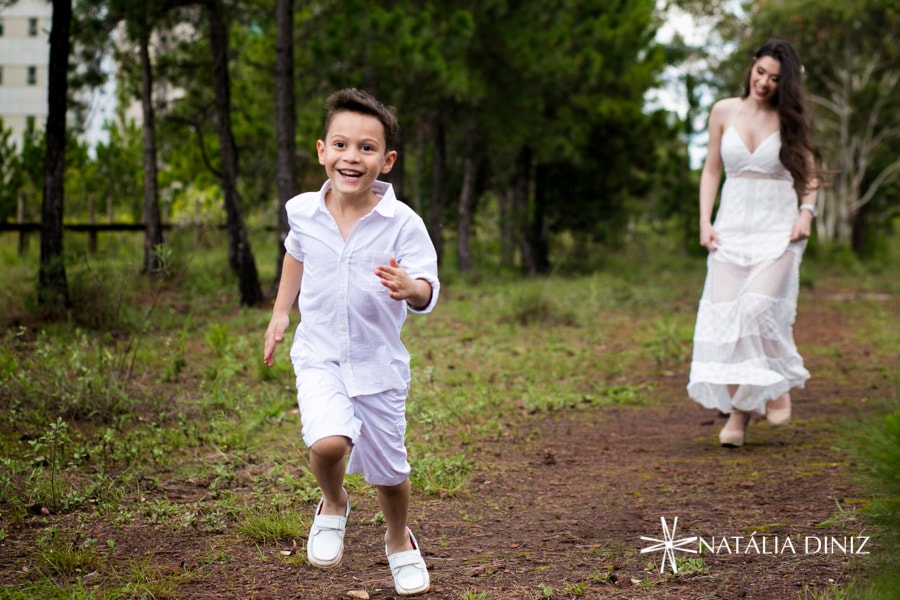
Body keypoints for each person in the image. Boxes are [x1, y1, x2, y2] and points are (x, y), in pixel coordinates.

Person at [263, 88, 439, 596]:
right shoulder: (303, 210)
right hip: (319, 355)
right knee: (327, 442)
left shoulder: (403, 223)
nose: (351, 157)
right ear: (322, 151)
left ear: (386, 161)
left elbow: (427, 285)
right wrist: (279, 312)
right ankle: (334, 501)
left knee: (389, 471)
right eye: (341, 144)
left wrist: (413, 289)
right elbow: (295, 254)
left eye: (366, 148)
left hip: (378, 364)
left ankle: (397, 535)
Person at [687, 39, 819, 448]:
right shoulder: (723, 111)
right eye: (760, 72)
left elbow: (811, 177)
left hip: (777, 231)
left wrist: (806, 213)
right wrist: (705, 220)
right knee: (728, 319)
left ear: (786, 83)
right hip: (730, 230)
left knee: (756, 310)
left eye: (775, 78)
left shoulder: (790, 120)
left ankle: (756, 403)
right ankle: (745, 409)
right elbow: (712, 170)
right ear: (751, 69)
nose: (764, 82)